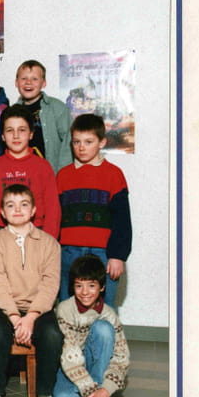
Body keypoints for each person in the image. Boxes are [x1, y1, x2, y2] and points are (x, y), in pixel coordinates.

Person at [0, 184, 63, 397]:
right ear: (2, 212)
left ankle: (45, 394)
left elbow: (50, 284)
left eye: (23, 204)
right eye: (11, 205)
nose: (17, 210)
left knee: (52, 335)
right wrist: (16, 317)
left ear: (33, 210)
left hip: (38, 307)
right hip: (4, 307)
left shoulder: (49, 243)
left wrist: (32, 316)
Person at [57, 113, 132, 308]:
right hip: (69, 251)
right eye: (77, 142)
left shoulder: (114, 175)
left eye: (88, 142)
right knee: (67, 306)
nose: (81, 147)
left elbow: (122, 221)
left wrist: (118, 256)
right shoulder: (63, 176)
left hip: (104, 253)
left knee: (104, 308)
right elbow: (56, 217)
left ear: (102, 142)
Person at [53, 255, 130, 397]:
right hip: (71, 365)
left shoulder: (109, 315)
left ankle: (98, 388)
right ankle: (94, 394)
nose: (85, 292)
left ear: (102, 287)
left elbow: (121, 358)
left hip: (97, 365)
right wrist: (93, 392)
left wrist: (106, 390)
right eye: (79, 286)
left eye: (91, 285)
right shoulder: (65, 309)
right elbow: (69, 355)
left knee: (104, 329)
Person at [0, 105, 61, 245]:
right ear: (2, 136)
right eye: (10, 130)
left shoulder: (43, 167)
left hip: (36, 234)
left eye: (22, 130)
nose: (16, 135)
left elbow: (53, 208)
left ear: (31, 134)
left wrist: (48, 241)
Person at [14, 59, 72, 173]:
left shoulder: (57, 108)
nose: (28, 82)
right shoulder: (12, 112)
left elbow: (68, 142)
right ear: (16, 83)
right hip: (23, 173)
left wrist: (62, 174)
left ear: (44, 83)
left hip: (51, 173)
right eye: (24, 78)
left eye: (34, 79)